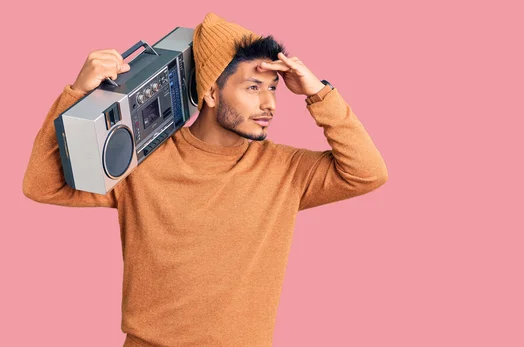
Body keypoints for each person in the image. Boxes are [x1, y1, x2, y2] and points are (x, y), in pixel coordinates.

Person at [22, 12, 388, 347]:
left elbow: (367, 172)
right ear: (211, 92)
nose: (270, 104)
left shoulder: (286, 170)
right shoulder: (145, 162)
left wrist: (317, 93)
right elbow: (42, 184)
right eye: (253, 88)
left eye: (273, 88)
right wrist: (78, 95)